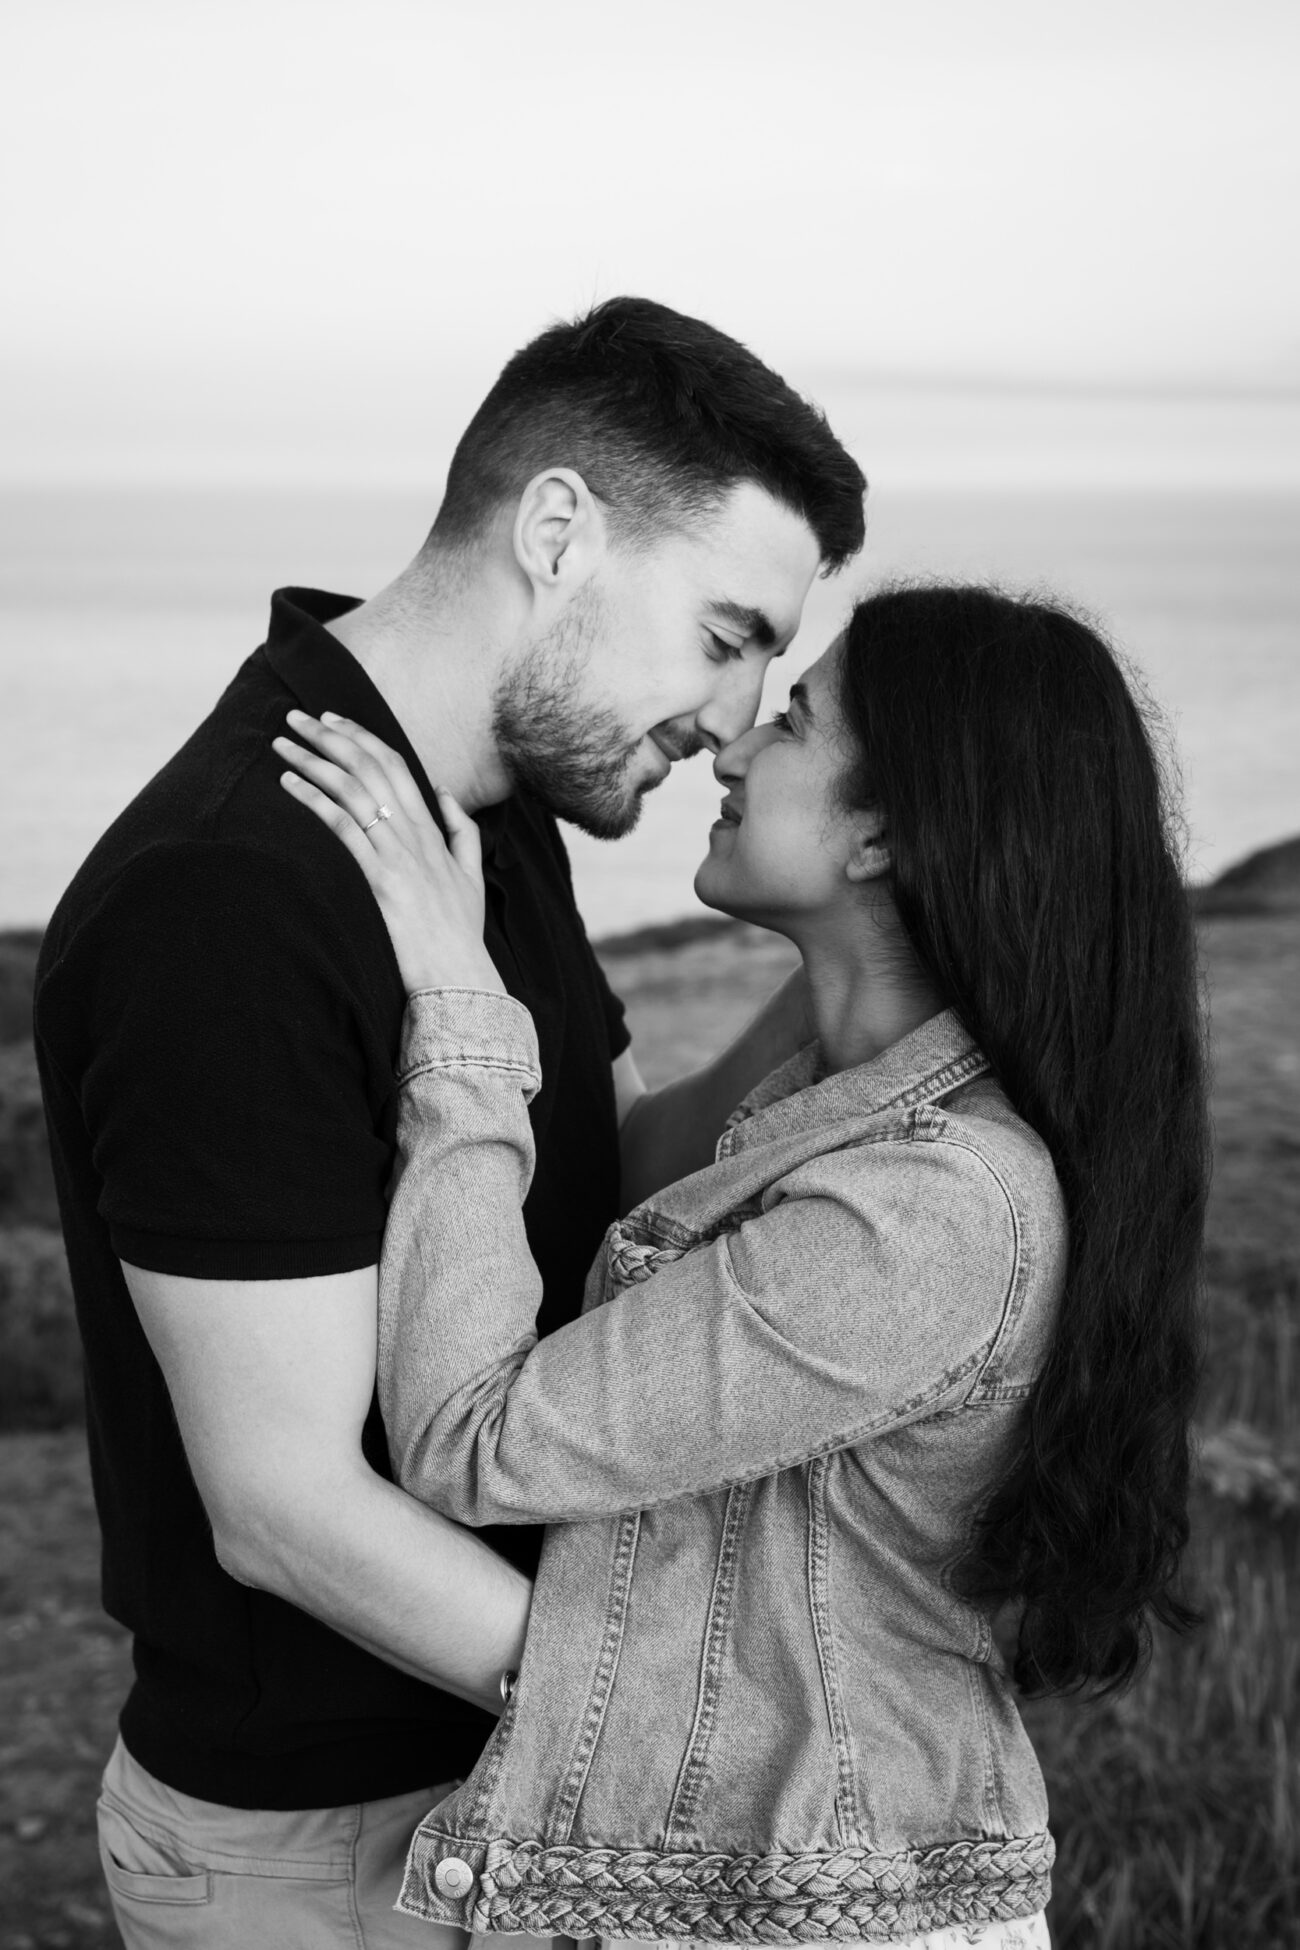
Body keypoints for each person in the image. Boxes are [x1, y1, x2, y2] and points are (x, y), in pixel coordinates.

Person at [32, 296, 866, 1947]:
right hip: (328, 1844)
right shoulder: (231, 895)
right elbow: (282, 1507)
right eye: (720, 633)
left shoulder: (486, 813)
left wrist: (856, 961)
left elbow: (616, 1180)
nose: (730, 714)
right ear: (559, 530)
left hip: (503, 1777)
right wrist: (675, 1726)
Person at [275, 582, 1209, 1948]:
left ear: (885, 831)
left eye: (794, 722)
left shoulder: (926, 1209)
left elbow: (471, 1440)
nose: (728, 745)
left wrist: (462, 1009)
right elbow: (656, 1160)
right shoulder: (852, 1098)